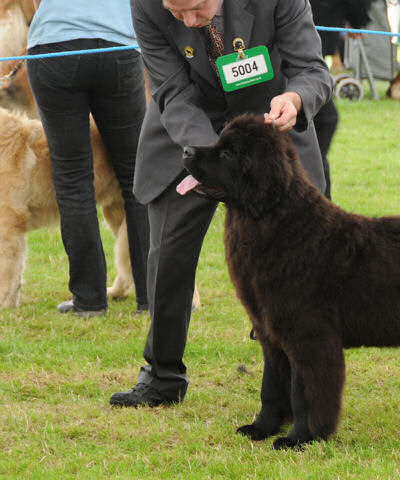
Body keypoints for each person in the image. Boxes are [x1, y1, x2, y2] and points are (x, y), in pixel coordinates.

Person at [109, 0, 331, 407]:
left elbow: (312, 69)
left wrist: (295, 100)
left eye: (197, 8)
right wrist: (219, 157)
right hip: (189, 133)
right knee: (167, 254)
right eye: (178, 14)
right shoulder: (144, 5)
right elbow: (172, 91)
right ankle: (162, 375)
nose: (190, 21)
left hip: (271, 127)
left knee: (300, 259)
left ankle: (297, 376)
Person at [26, 0, 150, 316]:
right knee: (136, 174)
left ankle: (89, 300)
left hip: (55, 46)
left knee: (72, 178)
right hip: (117, 47)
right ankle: (151, 296)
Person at [310, 0, 372, 199]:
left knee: (323, 121)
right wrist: (358, 20)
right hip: (297, 46)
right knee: (324, 121)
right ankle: (318, 203)